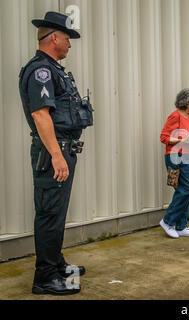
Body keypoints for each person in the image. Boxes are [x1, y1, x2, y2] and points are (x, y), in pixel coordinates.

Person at [18, 11, 93, 295]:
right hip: (54, 152)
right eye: (67, 38)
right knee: (50, 213)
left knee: (57, 212)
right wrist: (57, 156)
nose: (70, 44)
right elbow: (40, 115)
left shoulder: (53, 69)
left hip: (62, 149)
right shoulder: (41, 70)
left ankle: (55, 262)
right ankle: (45, 277)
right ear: (53, 38)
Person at [160, 89, 189, 239]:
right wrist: (181, 140)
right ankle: (168, 221)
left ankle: (181, 226)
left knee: (188, 190)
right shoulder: (175, 117)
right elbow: (164, 137)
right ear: (187, 103)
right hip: (177, 156)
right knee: (186, 189)